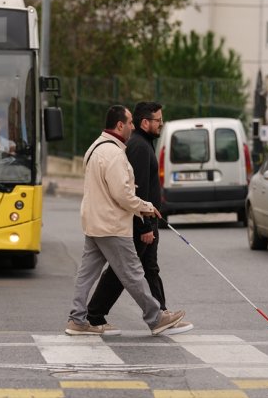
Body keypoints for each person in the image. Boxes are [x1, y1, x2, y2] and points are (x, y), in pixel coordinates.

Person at [66, 104, 186, 337]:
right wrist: (147, 207)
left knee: (86, 274)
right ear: (120, 125)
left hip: (93, 222)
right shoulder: (114, 154)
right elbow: (123, 195)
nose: (132, 126)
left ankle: (77, 319)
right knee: (133, 273)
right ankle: (156, 317)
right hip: (112, 225)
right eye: (130, 122)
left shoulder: (94, 148)